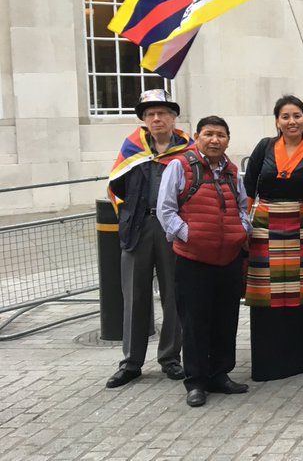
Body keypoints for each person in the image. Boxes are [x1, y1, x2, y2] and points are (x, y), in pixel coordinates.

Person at [156, 116, 252, 407]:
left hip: (228, 258)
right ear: (197, 137)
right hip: (193, 259)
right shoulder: (180, 166)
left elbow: (243, 206)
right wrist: (189, 235)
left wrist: (241, 231)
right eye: (209, 134)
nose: (215, 140)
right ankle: (196, 382)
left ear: (228, 140)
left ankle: (219, 375)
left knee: (226, 319)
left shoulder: (232, 171)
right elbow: (165, 209)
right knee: (195, 322)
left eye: (221, 135)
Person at [104, 89, 191, 389]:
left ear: (173, 117)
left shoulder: (188, 150)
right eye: (150, 114)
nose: (157, 118)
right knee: (134, 296)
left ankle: (170, 357)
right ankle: (131, 363)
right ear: (143, 119)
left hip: (172, 229)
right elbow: (117, 185)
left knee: (174, 295)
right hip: (138, 227)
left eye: (163, 113)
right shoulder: (131, 148)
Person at [242, 95, 303, 382]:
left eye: (297, 116)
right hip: (264, 223)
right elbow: (248, 187)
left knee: (299, 290)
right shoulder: (264, 147)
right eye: (286, 117)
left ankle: (300, 358)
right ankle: (269, 360)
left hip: (302, 222)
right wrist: (243, 224)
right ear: (277, 121)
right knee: (266, 290)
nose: (292, 122)